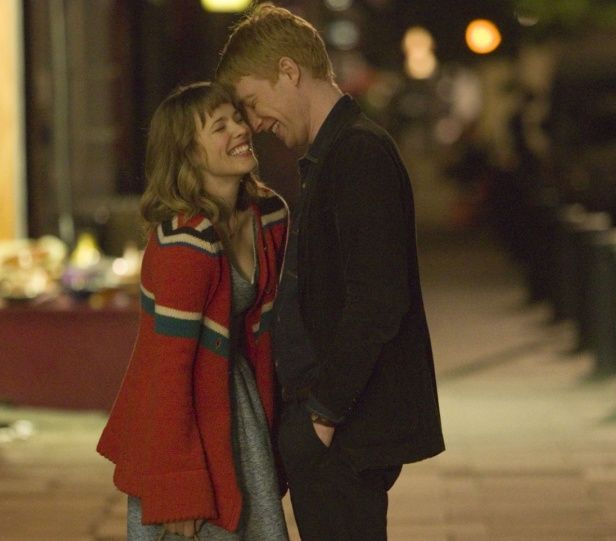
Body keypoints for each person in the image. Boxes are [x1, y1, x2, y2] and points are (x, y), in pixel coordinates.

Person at [216, 4, 445, 539]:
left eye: (252, 103)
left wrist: (321, 417)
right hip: (337, 425)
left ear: (289, 71)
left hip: (343, 431)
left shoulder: (357, 152)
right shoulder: (337, 152)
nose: (254, 124)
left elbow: (378, 300)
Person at [96, 81, 289, 540]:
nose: (240, 130)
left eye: (237, 119)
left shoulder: (269, 215)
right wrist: (177, 489)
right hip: (187, 423)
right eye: (219, 127)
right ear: (188, 154)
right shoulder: (183, 243)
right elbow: (166, 371)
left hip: (238, 405)